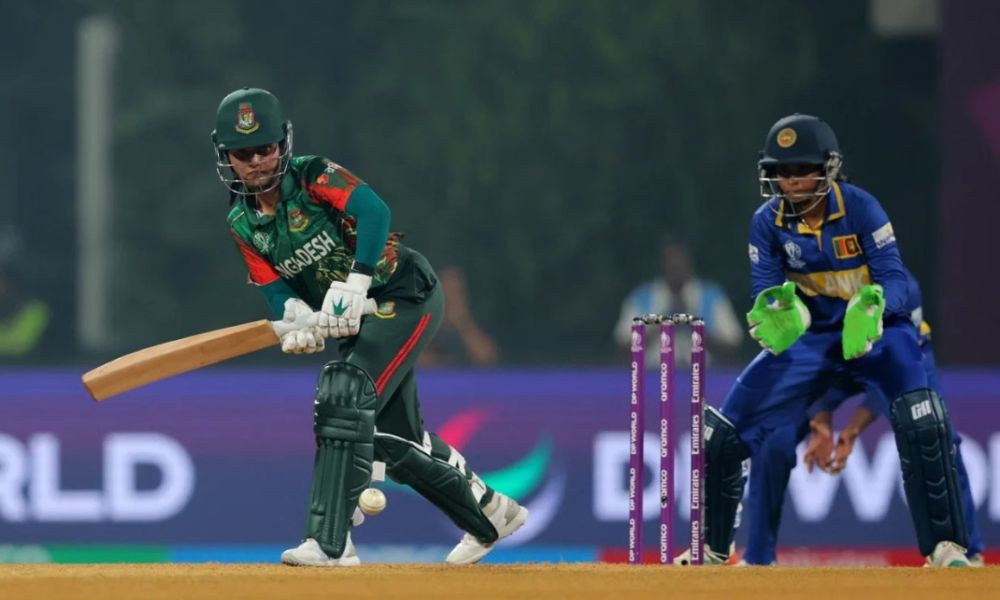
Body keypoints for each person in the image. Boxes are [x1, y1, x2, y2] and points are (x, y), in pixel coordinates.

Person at [214, 87, 527, 567]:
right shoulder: (242, 223)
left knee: (344, 393)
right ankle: (489, 514)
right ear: (226, 157)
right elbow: (275, 291)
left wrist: (358, 281)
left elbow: (374, 211)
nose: (256, 161)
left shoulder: (314, 176)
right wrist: (297, 320)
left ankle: (329, 541)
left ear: (282, 144)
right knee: (395, 440)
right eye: (243, 153)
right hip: (358, 325)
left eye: (265, 148)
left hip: (403, 295)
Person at [680, 114, 970, 567]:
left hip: (875, 333)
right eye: (782, 171)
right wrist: (775, 312)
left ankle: (946, 547)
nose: (791, 181)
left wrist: (874, 305)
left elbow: (895, 278)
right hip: (813, 339)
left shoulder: (861, 208)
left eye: (802, 170)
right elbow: (765, 288)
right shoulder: (766, 222)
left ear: (828, 168)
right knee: (723, 432)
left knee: (923, 420)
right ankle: (713, 549)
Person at [740, 276, 984, 566]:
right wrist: (821, 421)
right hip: (830, 359)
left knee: (936, 435)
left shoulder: (902, 290)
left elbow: (899, 374)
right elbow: (806, 362)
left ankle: (965, 551)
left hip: (891, 356)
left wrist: (853, 429)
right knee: (774, 438)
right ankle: (758, 557)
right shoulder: (808, 287)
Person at [613, 238, 743, 367]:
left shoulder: (712, 297)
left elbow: (732, 346)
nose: (675, 270)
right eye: (671, 265)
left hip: (705, 374)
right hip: (652, 373)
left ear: (689, 264)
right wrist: (664, 322)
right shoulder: (641, 298)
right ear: (662, 265)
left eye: (679, 264)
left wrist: (693, 325)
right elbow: (623, 347)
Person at [418, 266, 499, 367]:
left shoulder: (474, 325)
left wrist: (462, 322)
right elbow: (417, 362)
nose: (451, 298)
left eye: (456, 292)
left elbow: (487, 358)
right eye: (447, 291)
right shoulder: (424, 323)